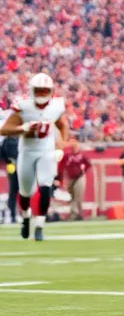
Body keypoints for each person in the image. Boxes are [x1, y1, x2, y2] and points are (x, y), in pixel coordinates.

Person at [0, 73, 69, 241]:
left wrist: (62, 143)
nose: (41, 94)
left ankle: (39, 225)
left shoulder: (56, 106)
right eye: (38, 91)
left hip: (46, 150)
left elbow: (62, 124)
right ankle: (26, 217)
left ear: (51, 91)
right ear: (31, 91)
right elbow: (4, 129)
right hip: (26, 151)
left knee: (46, 185)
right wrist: (22, 129)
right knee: (25, 192)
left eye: (44, 91)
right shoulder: (23, 106)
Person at [57, 139, 90, 220]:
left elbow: (88, 164)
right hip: (70, 178)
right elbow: (61, 167)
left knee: (77, 195)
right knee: (72, 196)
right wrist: (59, 178)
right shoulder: (67, 156)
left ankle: (74, 214)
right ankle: (79, 213)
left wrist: (83, 170)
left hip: (80, 177)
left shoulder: (81, 155)